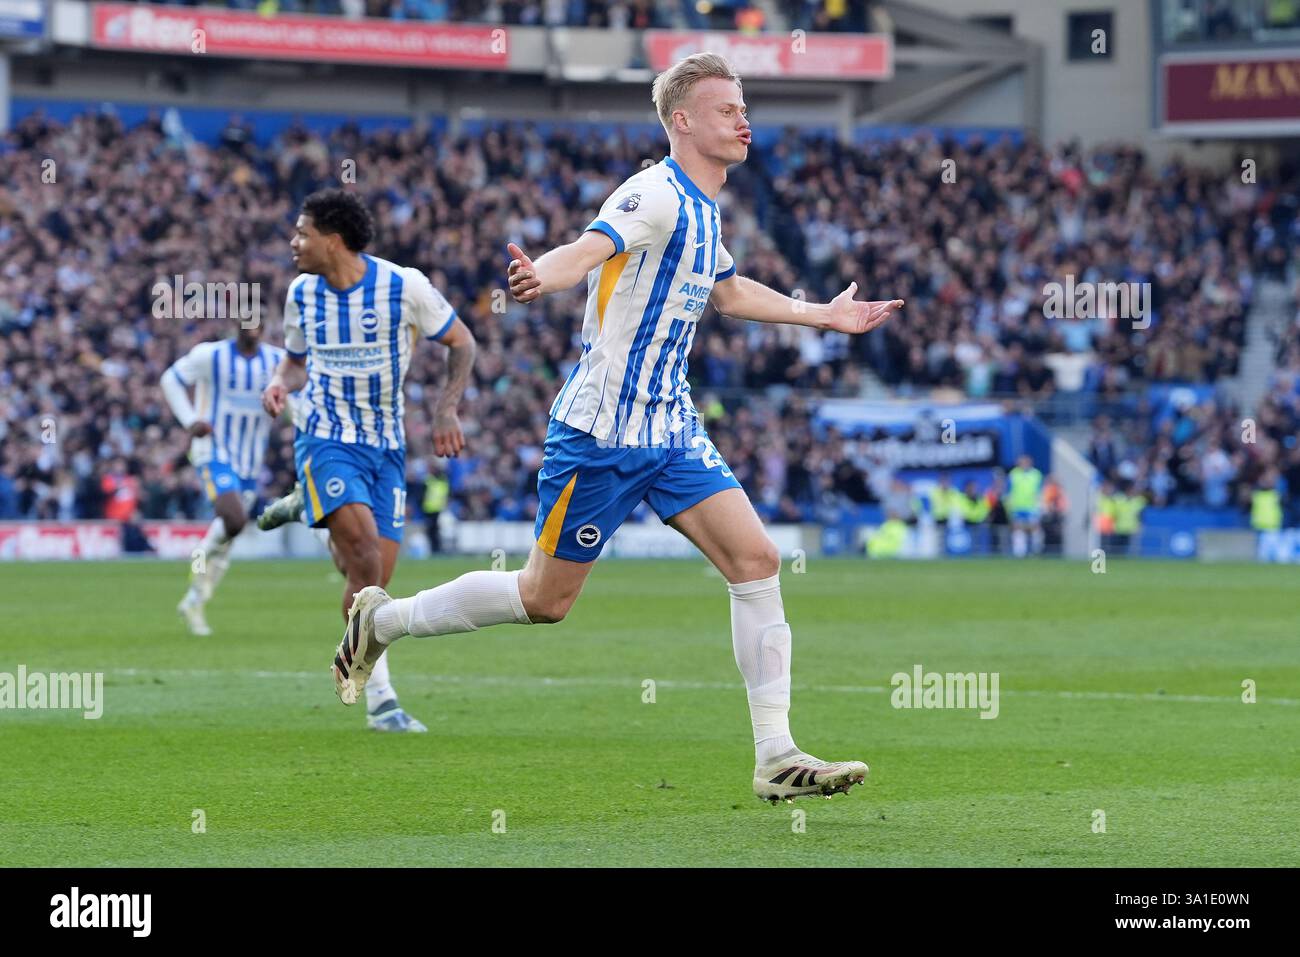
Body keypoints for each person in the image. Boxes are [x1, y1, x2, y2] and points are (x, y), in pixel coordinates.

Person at [329, 53, 904, 804]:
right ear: (682, 122)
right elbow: (586, 249)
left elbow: (729, 293)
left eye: (743, 108)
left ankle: (775, 754)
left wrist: (821, 314)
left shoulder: (705, 208)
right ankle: (385, 621)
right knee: (545, 599)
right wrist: (544, 274)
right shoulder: (654, 193)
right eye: (727, 109)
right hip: (602, 432)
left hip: (671, 427)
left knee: (757, 559)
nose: (743, 120)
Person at [261, 188, 477, 733]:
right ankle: (382, 700)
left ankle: (306, 506)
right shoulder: (301, 294)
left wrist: (446, 409)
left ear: (333, 240)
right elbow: (295, 363)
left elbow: (462, 342)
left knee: (371, 581)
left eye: (303, 233)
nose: (294, 243)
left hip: (386, 448)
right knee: (361, 558)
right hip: (325, 438)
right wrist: (279, 383)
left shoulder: (404, 286)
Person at [162, 319, 282, 636]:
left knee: (227, 538)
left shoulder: (276, 361)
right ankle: (199, 556)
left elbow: (294, 399)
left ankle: (195, 600)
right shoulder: (210, 355)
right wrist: (190, 420)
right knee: (234, 518)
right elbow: (170, 379)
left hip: (250, 461)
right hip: (212, 450)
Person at [1006, 454, 1044, 558]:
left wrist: (1040, 506)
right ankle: (1019, 553)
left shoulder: (1036, 474)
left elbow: (1040, 491)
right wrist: (1010, 507)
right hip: (1017, 507)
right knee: (1018, 529)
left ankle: (1036, 551)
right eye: (1022, 462)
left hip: (1032, 507)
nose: (1024, 464)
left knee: (1034, 528)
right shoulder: (1014, 474)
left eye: (1026, 461)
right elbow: (1008, 491)